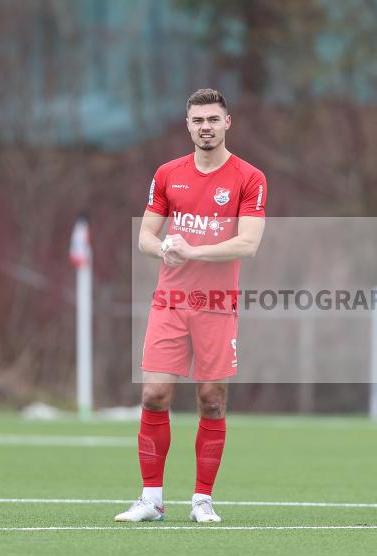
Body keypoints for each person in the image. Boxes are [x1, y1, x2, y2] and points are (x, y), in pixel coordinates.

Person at [115, 89, 267, 524]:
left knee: (211, 400)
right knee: (154, 394)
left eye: (213, 119)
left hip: (217, 305)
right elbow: (145, 237)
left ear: (227, 123)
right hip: (170, 302)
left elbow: (248, 244)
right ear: (187, 125)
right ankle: (152, 499)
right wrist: (165, 248)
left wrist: (194, 251)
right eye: (198, 120)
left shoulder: (249, 178)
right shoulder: (167, 174)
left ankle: (202, 499)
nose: (206, 127)